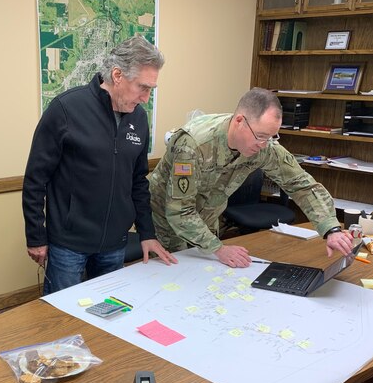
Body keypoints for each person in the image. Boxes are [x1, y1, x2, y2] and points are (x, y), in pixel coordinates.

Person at [22, 35, 177, 294]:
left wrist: (147, 233)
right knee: (62, 316)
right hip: (69, 242)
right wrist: (36, 235)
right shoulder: (66, 109)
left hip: (115, 242)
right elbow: (36, 179)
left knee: (108, 312)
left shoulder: (138, 118)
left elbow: (138, 181)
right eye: (142, 87)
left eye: (151, 89)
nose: (146, 98)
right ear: (117, 75)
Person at [149, 87, 353, 267]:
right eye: (261, 136)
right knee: (173, 281)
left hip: (206, 222)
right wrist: (218, 249)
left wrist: (331, 228)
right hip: (165, 222)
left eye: (272, 137)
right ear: (239, 122)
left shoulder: (263, 147)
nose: (264, 145)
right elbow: (179, 212)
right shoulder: (193, 144)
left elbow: (301, 185)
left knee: (205, 281)